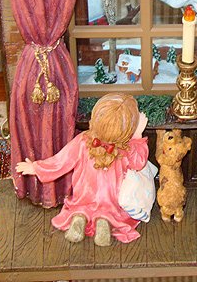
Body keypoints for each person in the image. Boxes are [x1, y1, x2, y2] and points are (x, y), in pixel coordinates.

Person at [16, 93, 149, 246]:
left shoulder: (83, 140)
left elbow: (61, 161)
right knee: (110, 210)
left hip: (84, 194)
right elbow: (139, 163)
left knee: (81, 206)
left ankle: (80, 216)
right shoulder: (126, 148)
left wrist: (35, 167)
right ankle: (104, 221)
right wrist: (137, 135)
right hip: (111, 198)